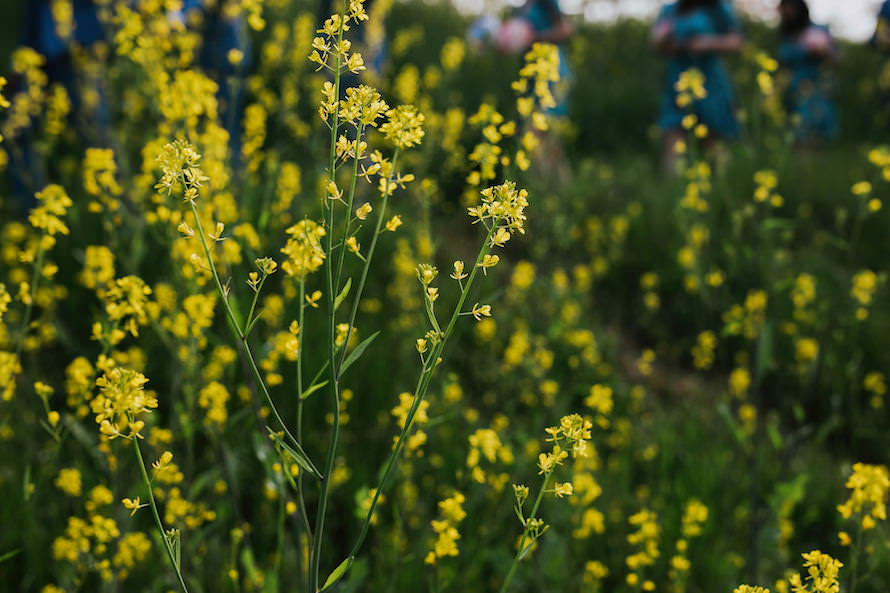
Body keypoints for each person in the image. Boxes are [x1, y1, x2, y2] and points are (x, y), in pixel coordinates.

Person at [652, 0, 742, 171]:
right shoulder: (670, 10)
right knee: (673, 135)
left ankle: (720, 190)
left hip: (710, 83)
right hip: (678, 82)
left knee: (713, 141)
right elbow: (655, 43)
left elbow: (737, 42)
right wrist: (667, 40)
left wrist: (709, 43)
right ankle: (674, 193)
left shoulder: (718, 8)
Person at [777, 0, 837, 144]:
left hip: (818, 91)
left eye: (789, 7)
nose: (786, 12)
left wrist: (824, 52)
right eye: (783, 8)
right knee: (797, 135)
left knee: (817, 133)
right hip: (793, 93)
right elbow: (782, 62)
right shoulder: (786, 33)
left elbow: (838, 59)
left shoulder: (819, 30)